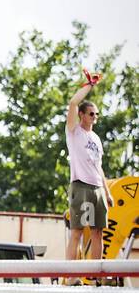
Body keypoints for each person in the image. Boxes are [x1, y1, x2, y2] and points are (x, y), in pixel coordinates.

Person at [65, 72, 112, 269]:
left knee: (97, 232)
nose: (95, 117)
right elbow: (73, 103)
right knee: (77, 232)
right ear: (82, 115)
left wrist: (107, 191)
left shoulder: (96, 138)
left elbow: (98, 166)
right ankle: (72, 276)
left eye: (97, 114)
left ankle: (95, 277)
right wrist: (89, 86)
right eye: (91, 113)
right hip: (81, 186)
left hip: (98, 188)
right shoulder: (74, 131)